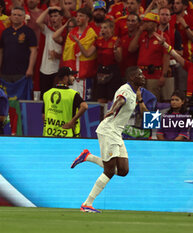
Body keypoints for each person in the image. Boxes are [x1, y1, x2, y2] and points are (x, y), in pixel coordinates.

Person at [70, 66, 146, 213]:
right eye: (139, 75)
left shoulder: (135, 92)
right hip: (108, 131)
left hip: (117, 133)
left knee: (123, 170)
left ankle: (88, 157)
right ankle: (87, 203)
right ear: (132, 77)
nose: (143, 77)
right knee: (109, 171)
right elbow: (120, 100)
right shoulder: (125, 90)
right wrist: (112, 109)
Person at [62, 7, 97, 101]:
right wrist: (76, 44)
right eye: (77, 16)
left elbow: (87, 52)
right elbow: (67, 50)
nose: (77, 18)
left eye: (81, 16)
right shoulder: (71, 33)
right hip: (72, 76)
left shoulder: (91, 33)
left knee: (84, 103)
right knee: (70, 102)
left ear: (87, 18)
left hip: (85, 77)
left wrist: (78, 43)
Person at [42, 66, 88, 137]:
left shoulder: (47, 94)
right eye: (72, 75)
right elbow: (84, 106)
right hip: (67, 135)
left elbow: (44, 116)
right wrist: (72, 121)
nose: (74, 78)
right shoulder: (73, 94)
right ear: (65, 77)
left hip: (49, 134)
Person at [0, 6, 37, 84]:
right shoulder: (5, 32)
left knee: (22, 96)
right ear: (11, 16)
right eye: (14, 14)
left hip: (22, 72)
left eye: (19, 15)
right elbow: (1, 52)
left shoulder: (29, 32)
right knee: (5, 96)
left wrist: (30, 68)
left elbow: (33, 51)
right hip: (5, 72)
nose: (16, 17)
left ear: (23, 17)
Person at [36, 6, 63, 99]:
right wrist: (48, 8)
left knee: (56, 98)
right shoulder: (48, 31)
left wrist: (58, 55)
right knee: (45, 98)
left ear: (61, 18)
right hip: (45, 69)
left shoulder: (66, 32)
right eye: (51, 16)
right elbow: (38, 21)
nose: (53, 19)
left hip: (58, 70)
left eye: (55, 16)